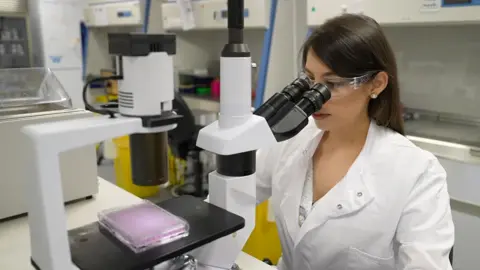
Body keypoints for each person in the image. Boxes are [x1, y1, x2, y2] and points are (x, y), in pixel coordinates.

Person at [255, 13, 454, 270]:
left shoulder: (418, 172)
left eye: (332, 84)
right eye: (309, 80)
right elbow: (234, 196)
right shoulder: (290, 140)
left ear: (377, 84)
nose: (314, 97)